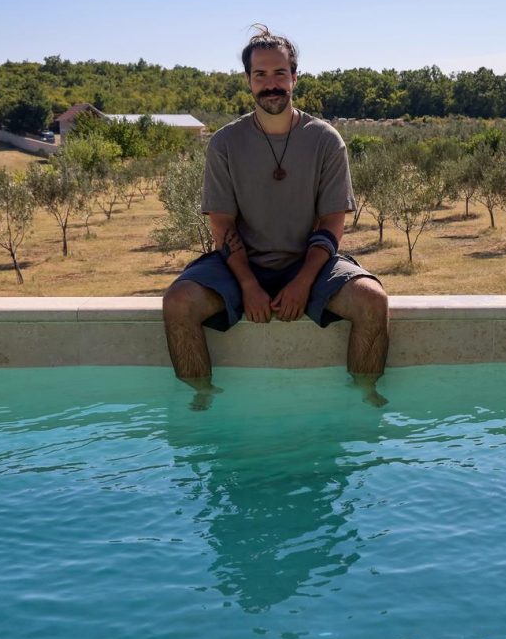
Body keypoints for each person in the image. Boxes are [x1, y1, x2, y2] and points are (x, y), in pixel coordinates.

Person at [162, 26, 389, 406]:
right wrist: (249, 286)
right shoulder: (225, 143)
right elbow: (222, 225)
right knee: (178, 302)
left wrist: (302, 282)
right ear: (248, 81)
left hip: (310, 264)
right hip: (241, 266)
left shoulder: (326, 140)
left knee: (372, 300)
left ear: (294, 78)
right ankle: (200, 402)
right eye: (260, 75)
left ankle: (363, 398)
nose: (271, 84)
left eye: (279, 74)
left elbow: (332, 222)